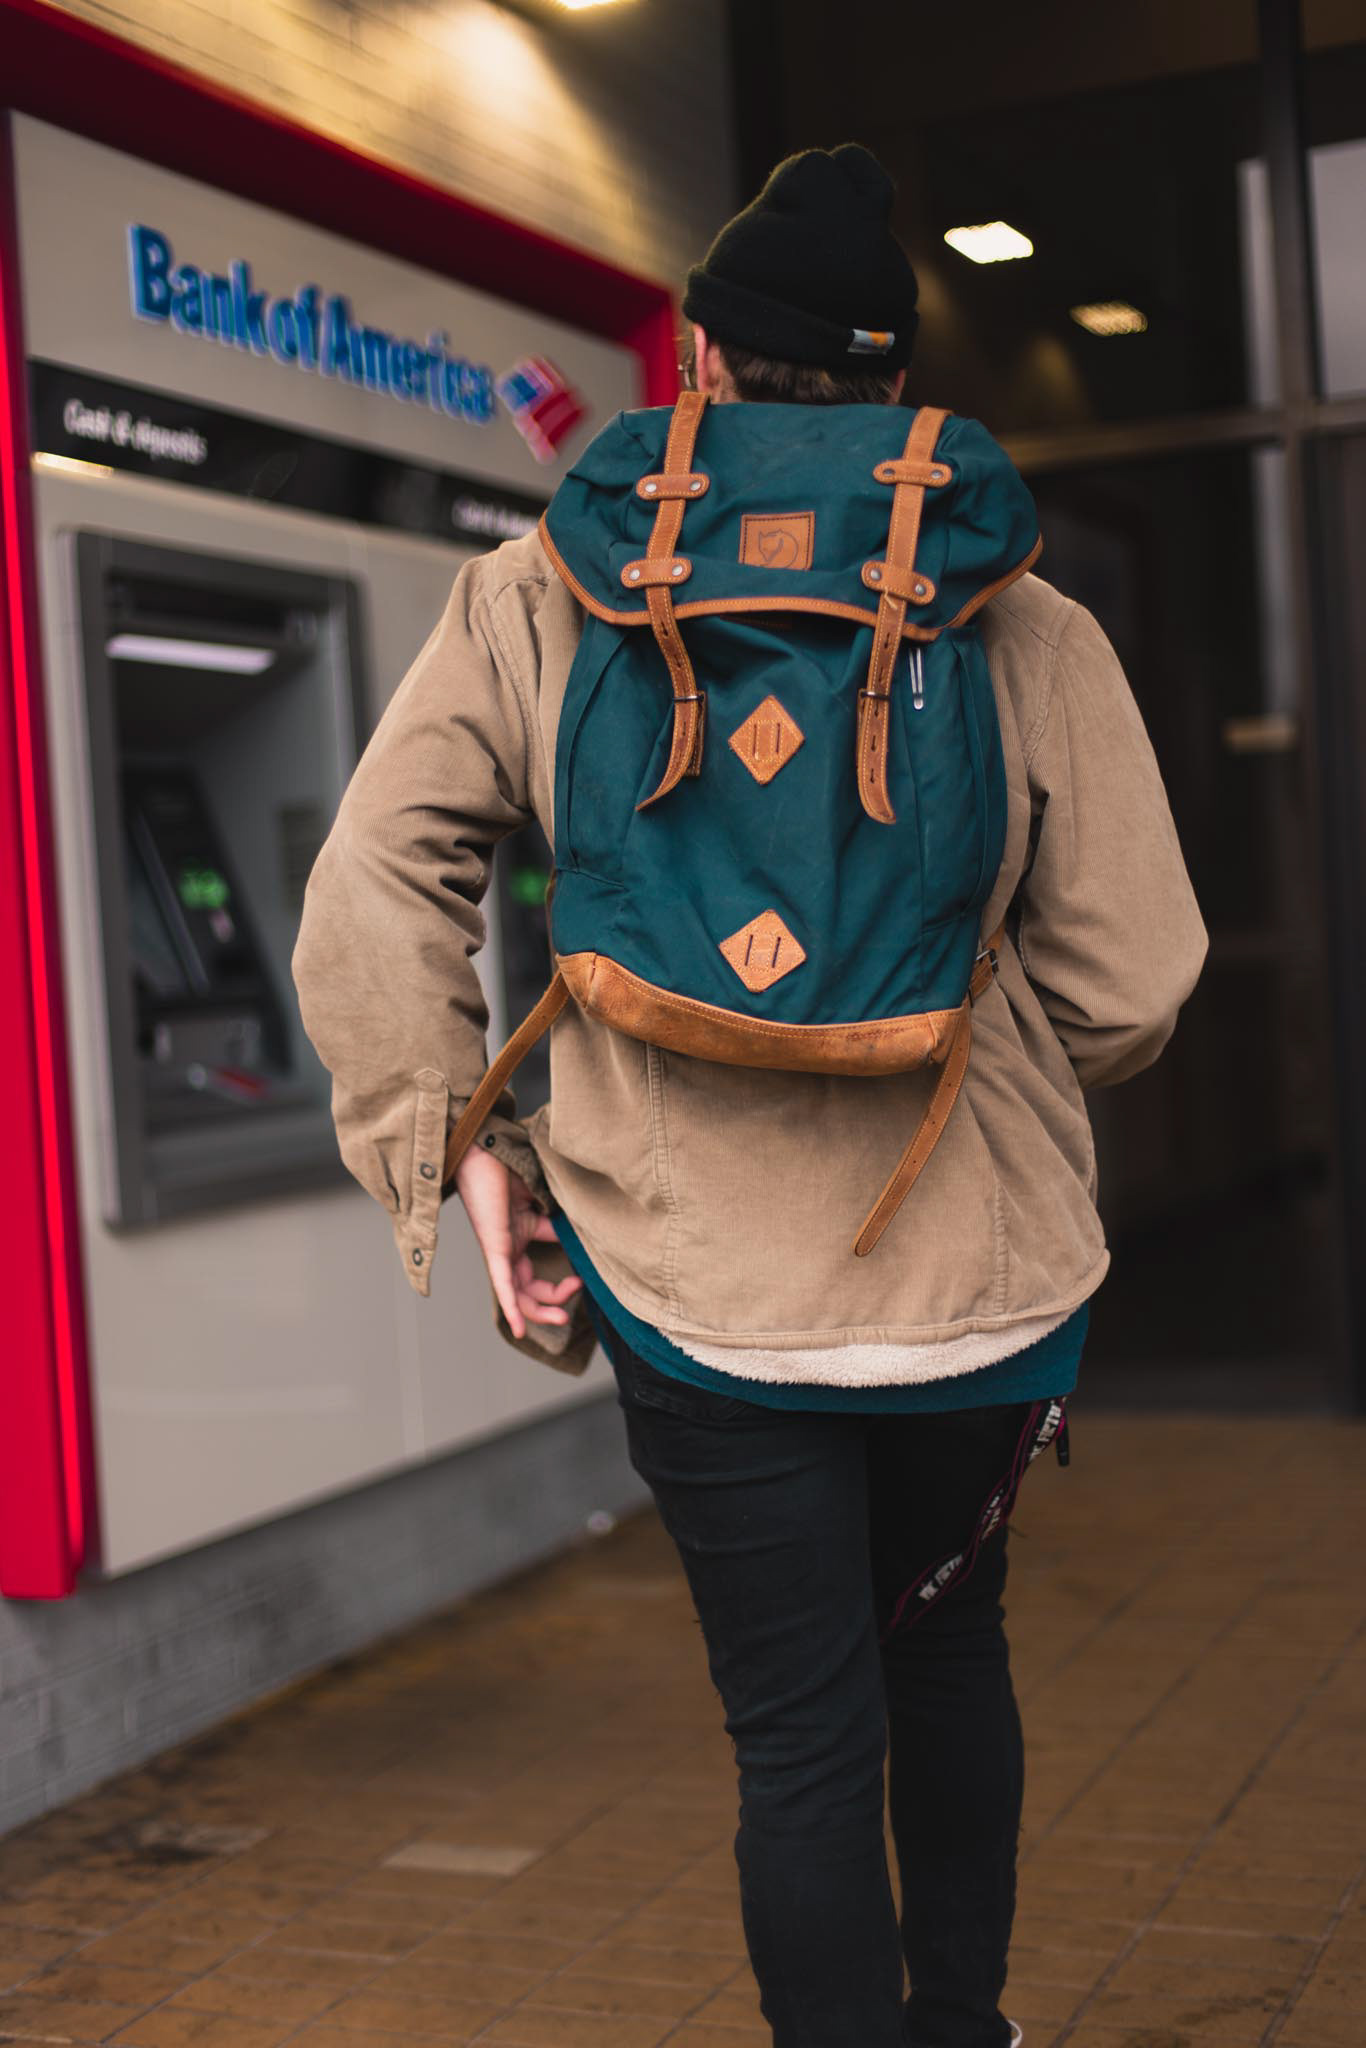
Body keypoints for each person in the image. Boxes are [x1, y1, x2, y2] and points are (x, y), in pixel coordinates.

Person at [293, 145, 1206, 2048]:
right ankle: (962, 2027)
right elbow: (1134, 983)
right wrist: (970, 1042)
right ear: (897, 391)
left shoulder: (537, 594)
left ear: (697, 360)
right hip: (970, 1288)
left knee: (797, 1736)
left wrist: (459, 1151)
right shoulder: (1019, 614)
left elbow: (377, 882)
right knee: (946, 1656)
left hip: (686, 1278)